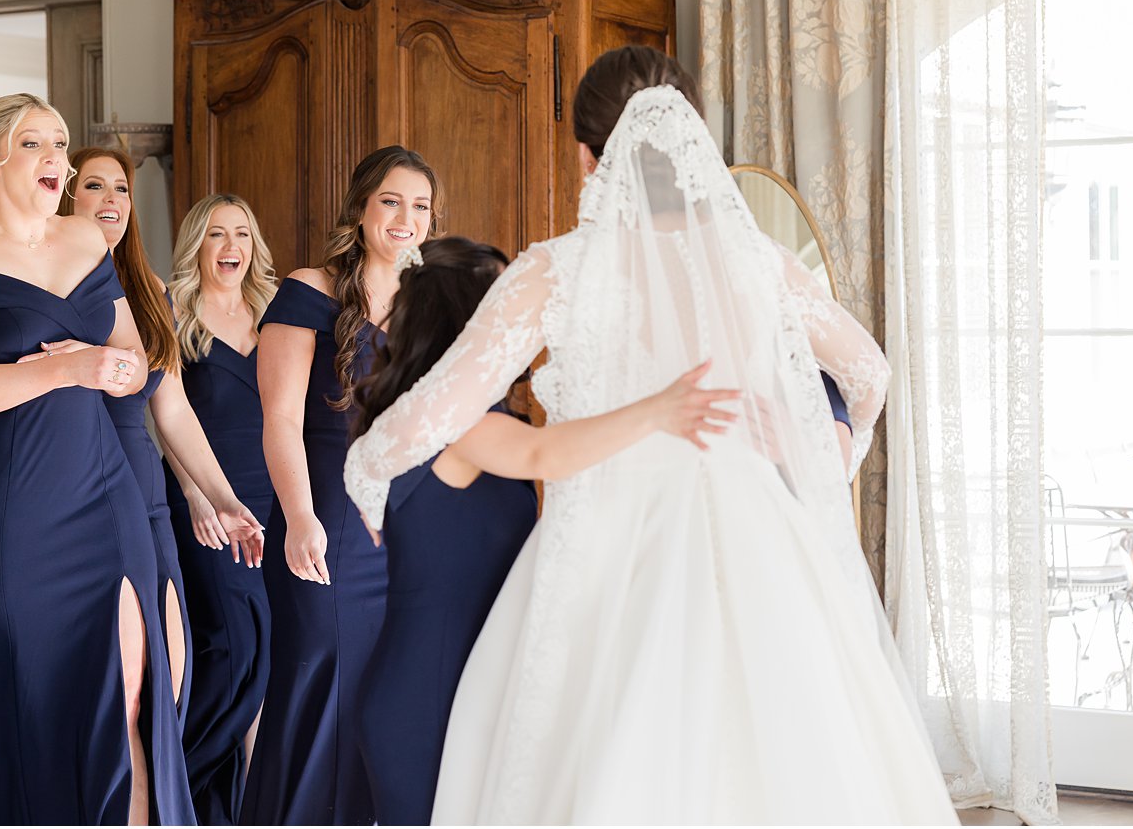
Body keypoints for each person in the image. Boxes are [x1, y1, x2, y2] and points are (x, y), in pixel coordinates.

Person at [344, 48, 959, 824]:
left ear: (586, 154)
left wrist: (367, 472)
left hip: (608, 541)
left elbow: (436, 405)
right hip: (759, 532)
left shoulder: (558, 271)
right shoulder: (755, 263)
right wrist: (831, 449)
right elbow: (869, 373)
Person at [349, 236, 737, 825]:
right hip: (427, 697)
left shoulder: (455, 421)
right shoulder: (455, 428)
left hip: (474, 687)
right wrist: (658, 410)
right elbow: (543, 456)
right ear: (471, 319)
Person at [0, 94, 195, 825]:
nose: (56, 160)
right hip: (9, 499)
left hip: (104, 488)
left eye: (61, 145)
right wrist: (67, 370)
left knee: (131, 688)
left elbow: (133, 359)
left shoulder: (85, 243)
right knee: (26, 689)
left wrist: (111, 366)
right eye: (34, 142)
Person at [241, 145, 439, 826]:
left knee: (385, 702)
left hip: (408, 528)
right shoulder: (310, 289)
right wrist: (298, 515)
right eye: (391, 201)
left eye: (419, 206)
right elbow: (279, 418)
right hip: (326, 518)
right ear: (361, 209)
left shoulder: (430, 303)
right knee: (323, 690)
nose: (405, 218)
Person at [55, 147, 265, 713]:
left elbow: (172, 409)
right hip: (67, 476)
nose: (111, 200)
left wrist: (223, 500)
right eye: (95, 186)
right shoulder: (42, 276)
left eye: (121, 189)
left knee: (166, 659)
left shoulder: (150, 289)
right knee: (103, 662)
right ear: (66, 194)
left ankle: (169, 797)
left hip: (141, 477)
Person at [161, 193, 278, 824]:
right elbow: (163, 415)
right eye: (215, 235)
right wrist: (195, 495)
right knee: (233, 648)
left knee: (271, 656)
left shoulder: (277, 313)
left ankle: (247, 806)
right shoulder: (174, 314)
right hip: (206, 503)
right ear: (196, 247)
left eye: (241, 233)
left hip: (273, 500)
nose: (231, 246)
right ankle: (173, 786)